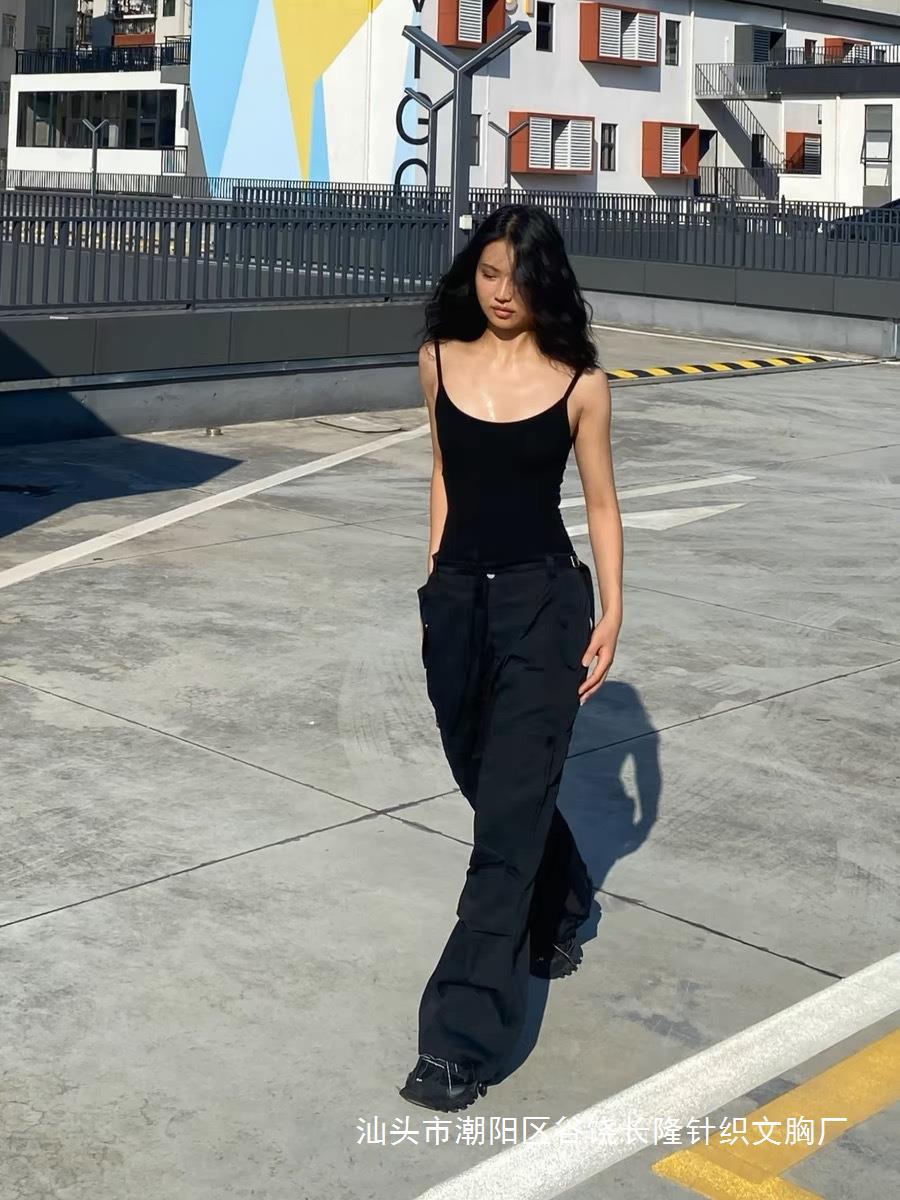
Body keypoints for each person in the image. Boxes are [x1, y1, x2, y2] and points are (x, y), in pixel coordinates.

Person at [398, 204, 623, 1113]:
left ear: (545, 283)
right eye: (489, 273)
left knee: (502, 824)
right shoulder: (437, 360)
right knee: (485, 779)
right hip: (458, 602)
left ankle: (459, 1037)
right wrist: (434, 580)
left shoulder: (581, 383)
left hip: (544, 604)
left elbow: (600, 502)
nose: (501, 292)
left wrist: (613, 609)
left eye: (518, 278)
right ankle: (562, 899)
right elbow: (443, 473)